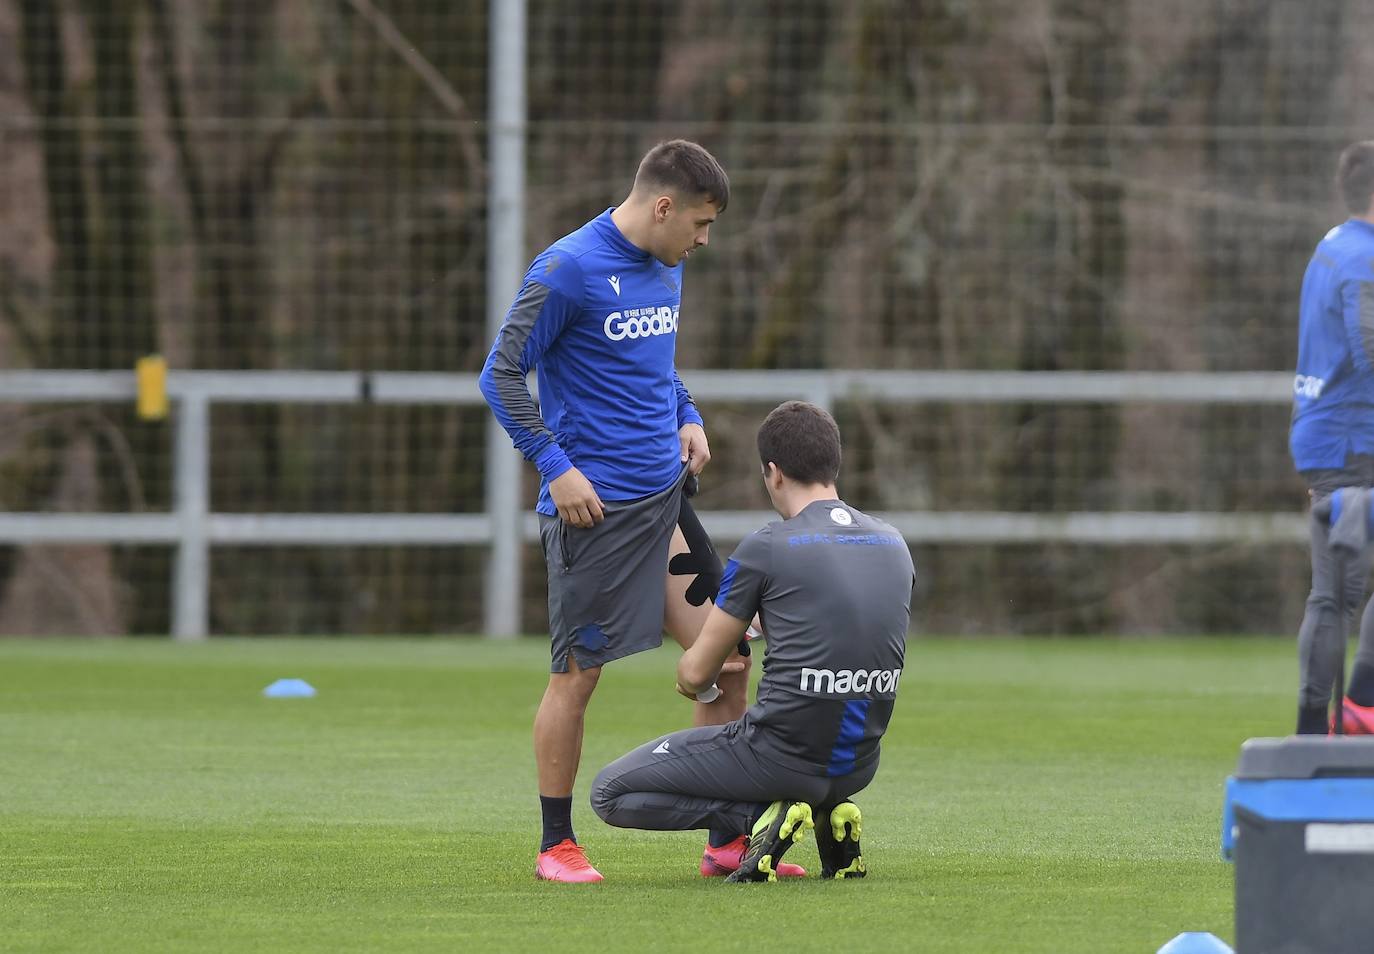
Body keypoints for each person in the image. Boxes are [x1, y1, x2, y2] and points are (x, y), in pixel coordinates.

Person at [478, 140, 783, 883]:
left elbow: (655, 364)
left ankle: (725, 842)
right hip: (595, 515)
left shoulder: (665, 267)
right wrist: (558, 468)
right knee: (578, 678)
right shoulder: (567, 269)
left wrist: (687, 413)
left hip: (668, 507)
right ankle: (557, 845)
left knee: (729, 662)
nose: (704, 241)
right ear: (663, 206)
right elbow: (500, 376)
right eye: (701, 224)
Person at [590, 401, 916, 881]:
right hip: (858, 766)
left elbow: (696, 673)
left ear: (773, 472)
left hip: (778, 759)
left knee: (609, 793)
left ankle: (763, 819)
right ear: (834, 465)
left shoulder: (768, 546)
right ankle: (830, 813)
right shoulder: (893, 542)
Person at [1290, 140, 1374, 735]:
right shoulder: (1365, 258)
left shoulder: (1332, 245)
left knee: (1331, 596)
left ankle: (1328, 723)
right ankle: (1341, 718)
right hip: (1355, 443)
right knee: (1334, 598)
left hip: (1329, 439)